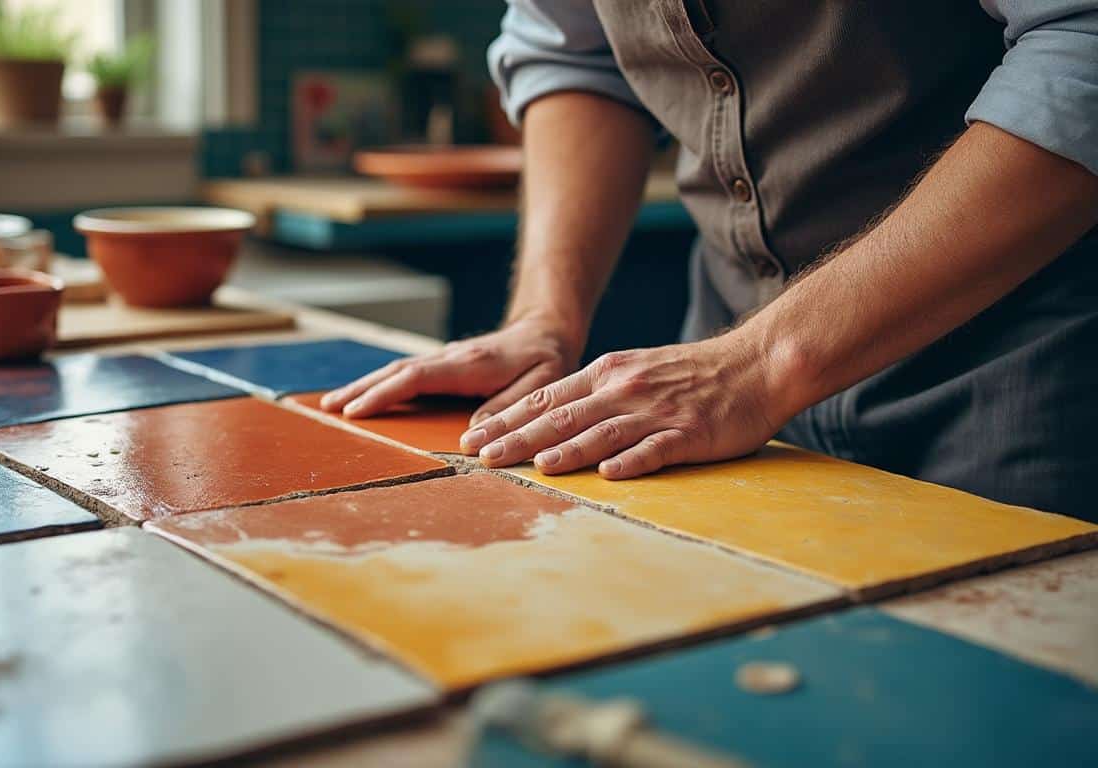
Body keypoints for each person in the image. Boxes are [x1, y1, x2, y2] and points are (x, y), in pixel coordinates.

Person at [322, 1, 1098, 520]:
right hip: (724, 374)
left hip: (1014, 370)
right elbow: (576, 56)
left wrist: (761, 364)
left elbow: (1081, 39)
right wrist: (543, 319)